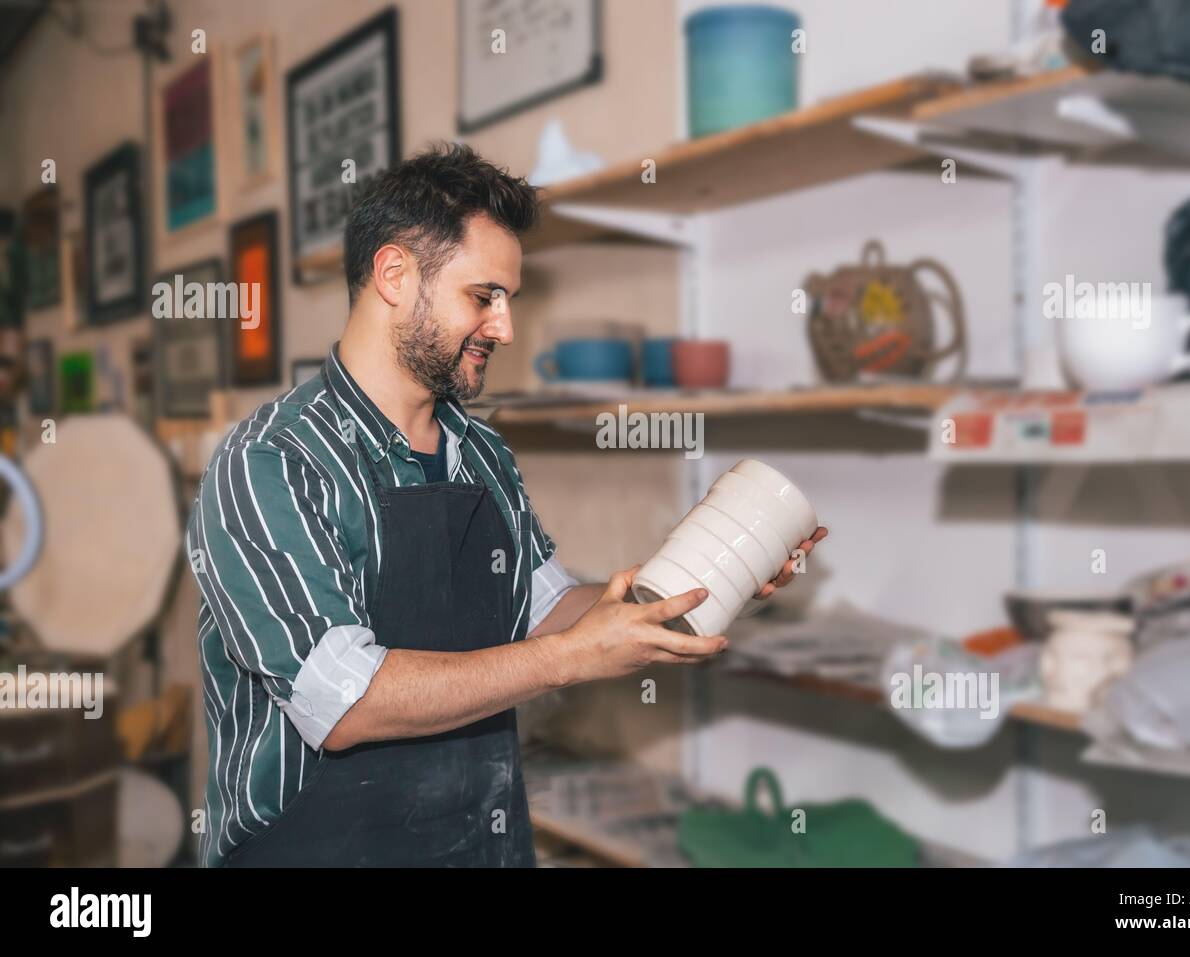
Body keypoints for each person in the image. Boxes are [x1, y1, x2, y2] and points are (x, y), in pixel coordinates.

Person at [187, 142, 828, 867]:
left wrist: (708, 575)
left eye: (508, 300)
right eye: (482, 295)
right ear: (394, 275)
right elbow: (343, 704)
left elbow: (548, 608)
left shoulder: (482, 453)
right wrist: (565, 661)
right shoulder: (270, 462)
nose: (505, 328)